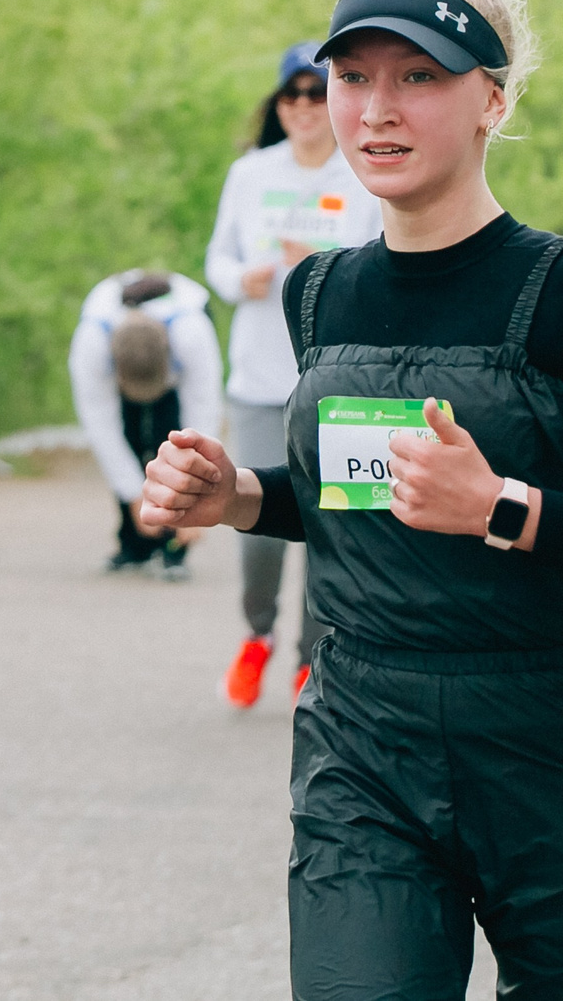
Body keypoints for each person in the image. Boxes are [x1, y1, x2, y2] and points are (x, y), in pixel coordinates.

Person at [137, 0, 563, 999]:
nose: (377, 110)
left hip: (557, 755)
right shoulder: (318, 292)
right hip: (363, 750)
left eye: (418, 77)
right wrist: (237, 497)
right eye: (354, 79)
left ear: (493, 99)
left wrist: (506, 507)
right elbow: (358, 498)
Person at [203, 41, 383, 708]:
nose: (305, 105)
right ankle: (257, 634)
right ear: (278, 105)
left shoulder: (361, 174)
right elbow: (216, 259)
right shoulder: (250, 173)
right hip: (257, 378)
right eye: (293, 95)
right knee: (254, 524)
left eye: (318, 91)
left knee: (329, 528)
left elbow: (384, 268)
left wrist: (326, 268)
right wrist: (240, 278)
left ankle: (312, 660)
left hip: (335, 381)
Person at [69, 269, 222, 576]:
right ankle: (134, 542)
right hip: (118, 346)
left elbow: (202, 414)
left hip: (184, 340)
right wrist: (134, 495)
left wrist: (194, 504)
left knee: (175, 434)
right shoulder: (92, 344)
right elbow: (102, 427)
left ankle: (175, 546)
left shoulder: (192, 334)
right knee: (129, 434)